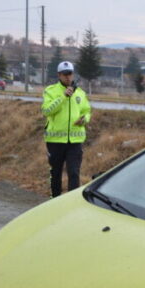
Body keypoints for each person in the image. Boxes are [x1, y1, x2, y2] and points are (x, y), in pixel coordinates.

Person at [41, 61, 91, 197]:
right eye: (65, 74)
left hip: (75, 140)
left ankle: (71, 202)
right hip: (55, 140)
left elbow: (87, 111)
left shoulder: (80, 93)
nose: (68, 77)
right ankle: (55, 199)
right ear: (59, 75)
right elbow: (46, 111)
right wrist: (64, 96)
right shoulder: (50, 91)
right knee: (55, 173)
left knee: (74, 173)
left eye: (70, 74)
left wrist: (85, 119)